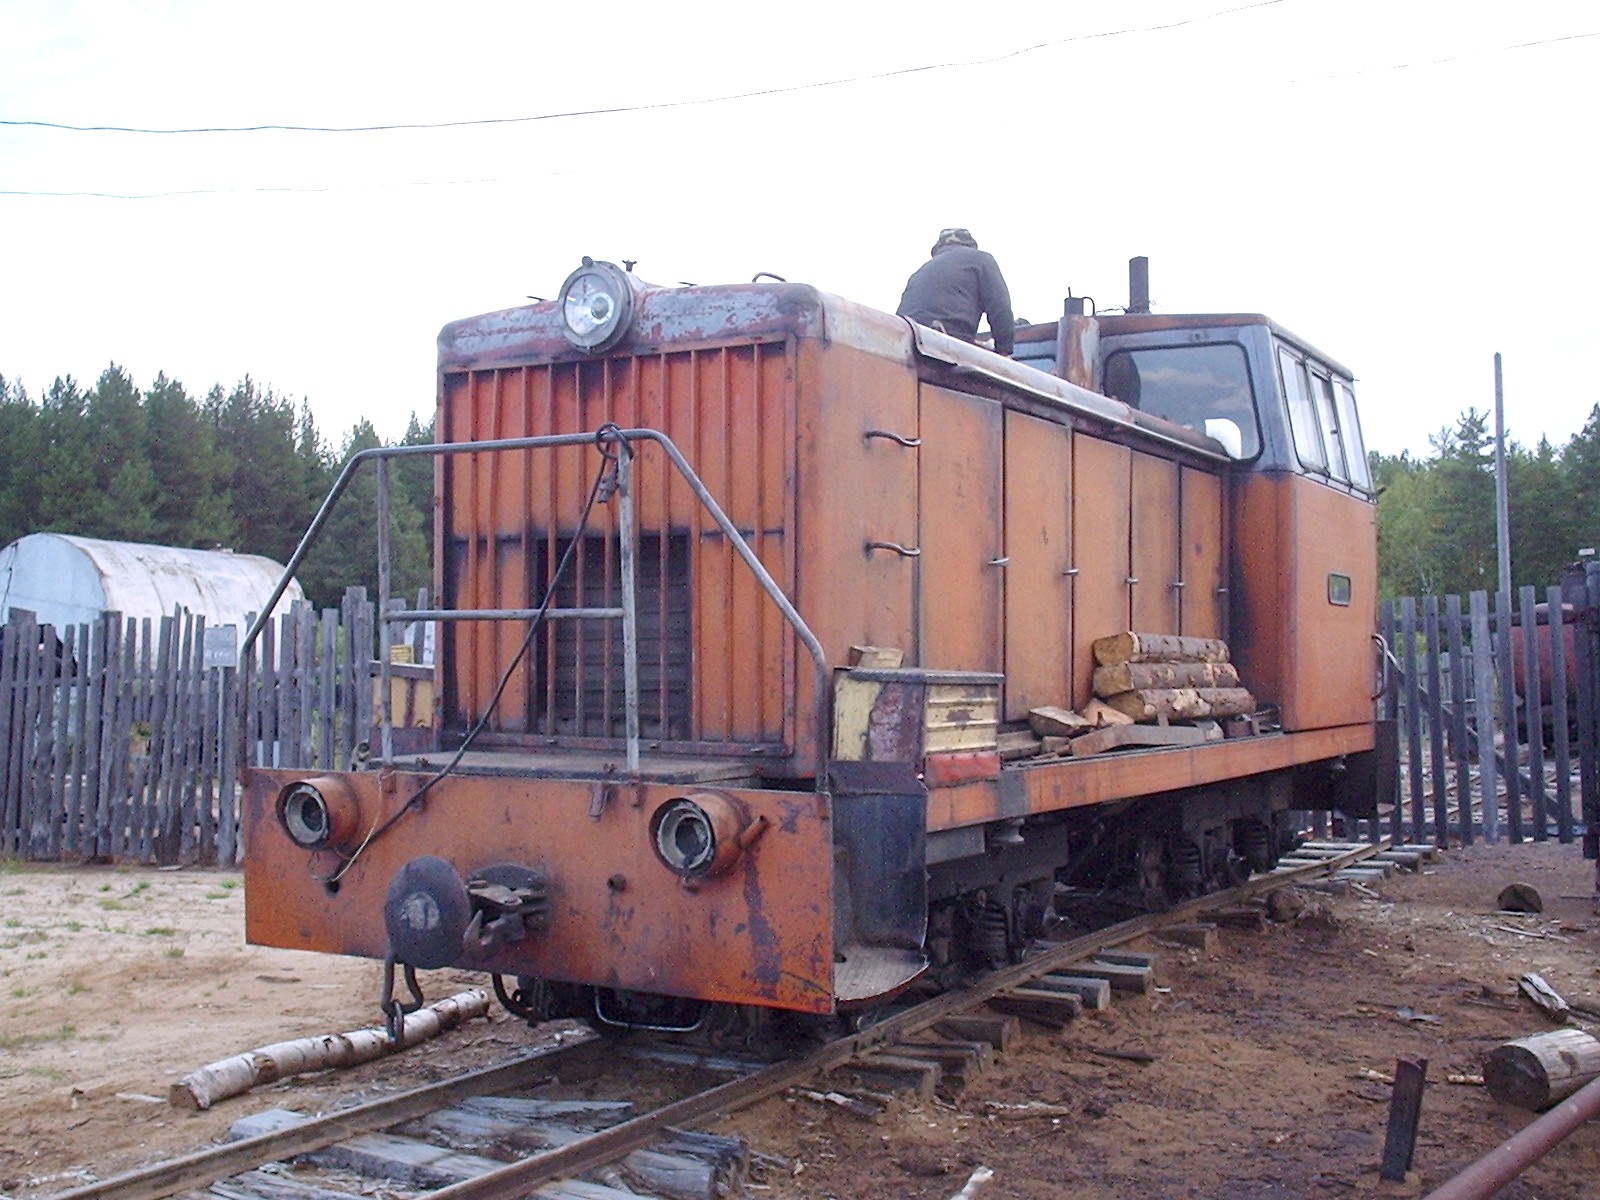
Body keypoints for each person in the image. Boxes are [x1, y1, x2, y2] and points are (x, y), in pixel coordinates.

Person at [895, 228, 1015, 356]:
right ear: (970, 245)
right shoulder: (981, 259)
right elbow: (1000, 307)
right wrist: (1004, 350)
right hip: (946, 340)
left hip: (904, 340)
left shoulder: (919, 271)